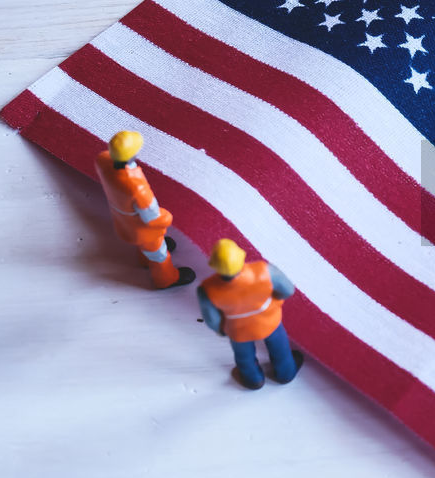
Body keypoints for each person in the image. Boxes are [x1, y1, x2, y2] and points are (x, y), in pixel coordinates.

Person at [197, 238, 302, 390]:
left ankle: (253, 379)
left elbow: (211, 318)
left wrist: (221, 330)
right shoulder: (265, 271)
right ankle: (286, 373)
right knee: (280, 347)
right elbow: (288, 290)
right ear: (240, 257)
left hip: (238, 330)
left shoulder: (207, 290)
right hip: (269, 321)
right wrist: (276, 300)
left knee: (244, 356)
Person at [94, 131, 194, 288]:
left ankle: (144, 258)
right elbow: (152, 216)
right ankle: (166, 278)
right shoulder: (136, 187)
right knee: (159, 254)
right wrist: (166, 217)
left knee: (144, 246)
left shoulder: (103, 160)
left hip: (125, 223)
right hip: (144, 229)